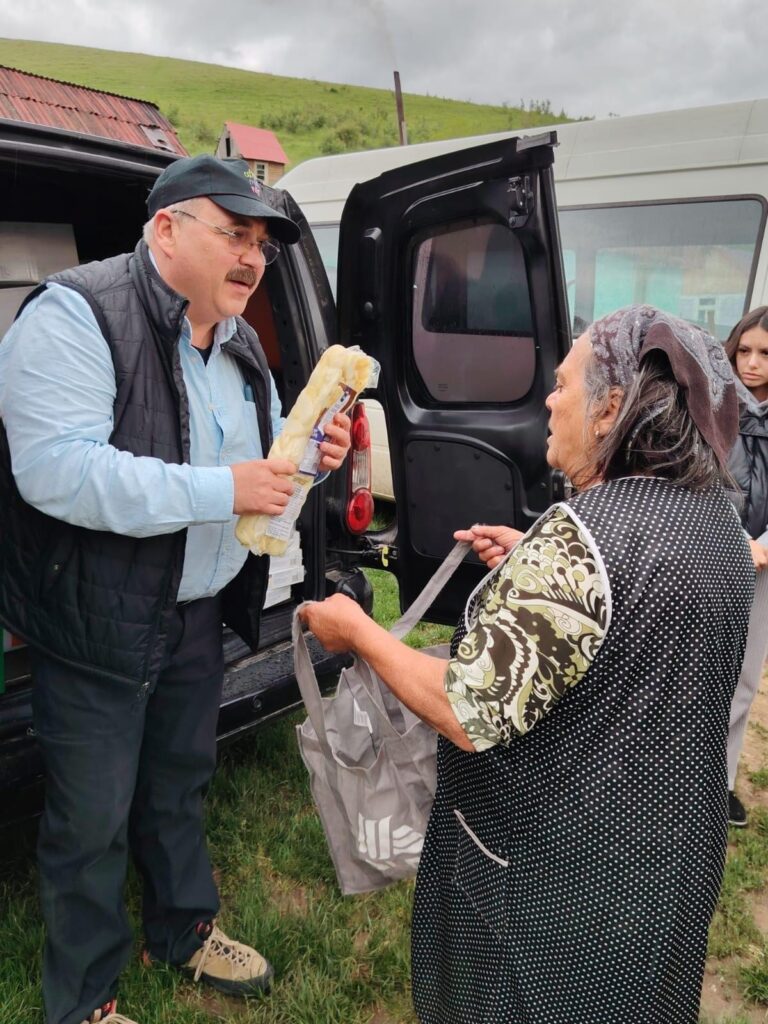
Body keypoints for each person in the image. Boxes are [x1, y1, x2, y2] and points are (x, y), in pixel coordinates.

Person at [301, 305, 753, 1024]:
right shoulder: (719, 522)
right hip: (669, 858)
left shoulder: (579, 541)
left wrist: (358, 632)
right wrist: (532, 566)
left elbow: (467, 710)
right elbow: (639, 624)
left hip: (553, 883)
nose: (548, 398)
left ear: (608, 411)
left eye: (564, 383)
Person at [0, 155, 351, 1024]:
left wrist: (311, 458)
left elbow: (255, 471)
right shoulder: (76, 314)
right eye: (235, 234)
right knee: (91, 821)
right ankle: (84, 1000)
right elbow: (58, 471)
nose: (253, 259)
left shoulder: (237, 342)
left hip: (196, 613)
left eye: (263, 244)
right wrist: (223, 489)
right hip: (98, 618)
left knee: (178, 784)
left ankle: (182, 929)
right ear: (166, 229)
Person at [724, 305, 768, 827]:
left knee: (745, 678)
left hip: (764, 570)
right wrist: (738, 539)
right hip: (715, 551)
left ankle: (724, 780)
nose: (752, 364)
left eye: (765, 354)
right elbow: (698, 477)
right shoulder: (714, 405)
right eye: (744, 351)